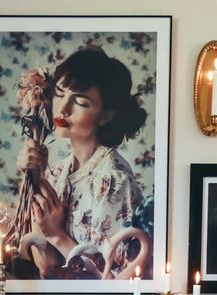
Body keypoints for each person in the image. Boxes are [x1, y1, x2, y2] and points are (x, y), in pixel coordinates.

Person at [16, 47, 148, 279]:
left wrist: (57, 236)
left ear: (106, 115)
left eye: (79, 102)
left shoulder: (113, 180)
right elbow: (45, 266)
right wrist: (34, 176)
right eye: (59, 94)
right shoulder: (59, 171)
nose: (63, 108)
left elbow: (116, 284)